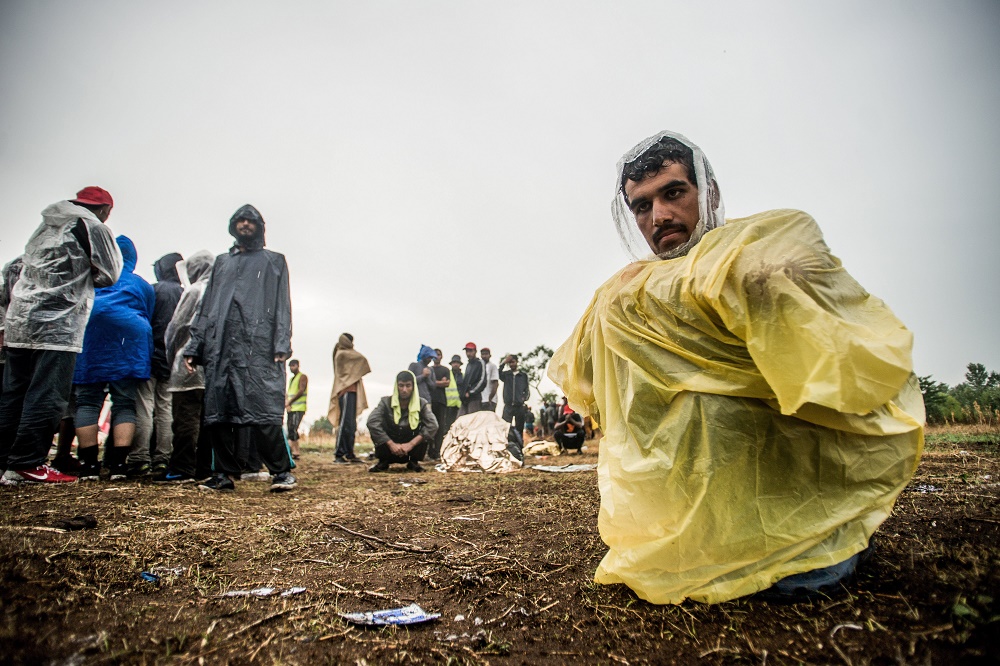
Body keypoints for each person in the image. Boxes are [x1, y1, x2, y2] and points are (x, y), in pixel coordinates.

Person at [548, 131, 923, 605]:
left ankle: (808, 539)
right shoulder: (622, 292)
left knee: (805, 573)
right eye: (642, 207)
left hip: (792, 503)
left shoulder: (758, 248)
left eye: (674, 193)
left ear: (710, 194)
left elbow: (838, 352)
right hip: (691, 517)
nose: (659, 216)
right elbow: (583, 377)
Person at [0, 187, 122, 485]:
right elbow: (110, 273)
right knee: (48, 394)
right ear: (105, 209)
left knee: (13, 394)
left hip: (20, 321)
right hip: (58, 324)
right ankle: (27, 463)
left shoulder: (46, 225)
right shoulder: (93, 226)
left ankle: (4, 462)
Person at [184, 204, 296, 493]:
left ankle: (281, 472)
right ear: (233, 226)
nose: (245, 224)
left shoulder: (274, 261)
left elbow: (283, 303)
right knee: (218, 411)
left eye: (251, 221)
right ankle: (222, 474)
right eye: (240, 220)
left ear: (260, 227)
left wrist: (282, 342)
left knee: (263, 410)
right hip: (221, 346)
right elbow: (207, 306)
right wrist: (195, 345)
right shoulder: (222, 262)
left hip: (259, 345)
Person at [72, 235, 155, 480]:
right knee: (125, 401)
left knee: (87, 400)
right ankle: (118, 466)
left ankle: (88, 466)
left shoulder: (90, 279)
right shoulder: (140, 284)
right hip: (129, 339)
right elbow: (148, 312)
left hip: (91, 334)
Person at [154, 251, 215, 483]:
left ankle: (181, 467)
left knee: (185, 416)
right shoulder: (222, 293)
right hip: (212, 365)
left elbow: (176, 327)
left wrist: (172, 357)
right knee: (207, 419)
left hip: (188, 362)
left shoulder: (195, 291)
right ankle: (204, 468)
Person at [129, 252, 184, 477]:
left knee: (143, 406)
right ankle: (163, 458)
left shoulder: (153, 289)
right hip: (174, 361)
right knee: (165, 409)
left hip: (149, 357)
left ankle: (139, 458)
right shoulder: (183, 292)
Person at [366, 370, 438, 473]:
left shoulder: (421, 403)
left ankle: (413, 462)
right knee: (377, 423)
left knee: (426, 426)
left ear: (413, 387)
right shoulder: (385, 402)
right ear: (396, 386)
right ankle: (383, 461)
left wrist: (411, 444)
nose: (404, 390)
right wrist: (391, 444)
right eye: (401, 385)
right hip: (389, 448)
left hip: (411, 449)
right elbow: (371, 422)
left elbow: (433, 425)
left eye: (408, 386)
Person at [328, 332, 370, 464]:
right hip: (345, 392)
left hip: (352, 391)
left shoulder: (345, 353)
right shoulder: (342, 354)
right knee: (345, 423)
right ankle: (339, 454)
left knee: (351, 425)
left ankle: (350, 453)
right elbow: (362, 359)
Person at [499, 354, 531, 437]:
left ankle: (519, 447)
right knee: (504, 428)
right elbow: (498, 373)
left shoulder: (523, 375)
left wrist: (523, 399)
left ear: (517, 362)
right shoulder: (506, 375)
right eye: (509, 363)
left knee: (519, 429)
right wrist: (504, 362)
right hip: (508, 406)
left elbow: (526, 390)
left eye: (513, 362)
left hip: (519, 406)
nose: (511, 364)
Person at [427, 349, 451, 461]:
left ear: (442, 356)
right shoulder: (428, 369)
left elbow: (446, 383)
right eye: (434, 355)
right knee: (429, 426)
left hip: (441, 401)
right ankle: (429, 451)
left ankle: (438, 451)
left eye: (438, 354)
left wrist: (432, 382)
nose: (436, 356)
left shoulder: (445, 370)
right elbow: (431, 383)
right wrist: (438, 382)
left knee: (440, 427)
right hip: (429, 401)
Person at [285, 359, 307, 459]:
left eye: (293, 365)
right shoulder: (291, 380)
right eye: (290, 366)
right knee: (291, 429)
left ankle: (294, 450)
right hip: (292, 407)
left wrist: (290, 402)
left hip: (299, 407)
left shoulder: (302, 377)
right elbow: (289, 394)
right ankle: (295, 451)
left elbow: (301, 391)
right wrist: (287, 404)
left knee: (293, 428)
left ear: (298, 365)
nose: (291, 368)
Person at [458, 343, 486, 416]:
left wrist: (471, 392)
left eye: (470, 351)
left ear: (475, 351)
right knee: (459, 421)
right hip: (465, 399)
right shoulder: (468, 365)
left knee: (473, 422)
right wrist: (462, 393)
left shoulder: (480, 363)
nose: (468, 353)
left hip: (474, 398)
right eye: (467, 351)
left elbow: (482, 381)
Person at [443, 353, 463, 440]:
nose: (455, 364)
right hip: (448, 404)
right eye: (454, 362)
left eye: (457, 362)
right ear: (451, 364)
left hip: (459, 405)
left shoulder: (463, 375)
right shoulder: (447, 374)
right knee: (447, 426)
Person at [479, 347, 500, 411]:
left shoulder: (492, 366)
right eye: (483, 354)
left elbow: (495, 383)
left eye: (486, 354)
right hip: (480, 399)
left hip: (490, 400)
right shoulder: (478, 366)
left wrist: (490, 398)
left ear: (490, 355)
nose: (484, 356)